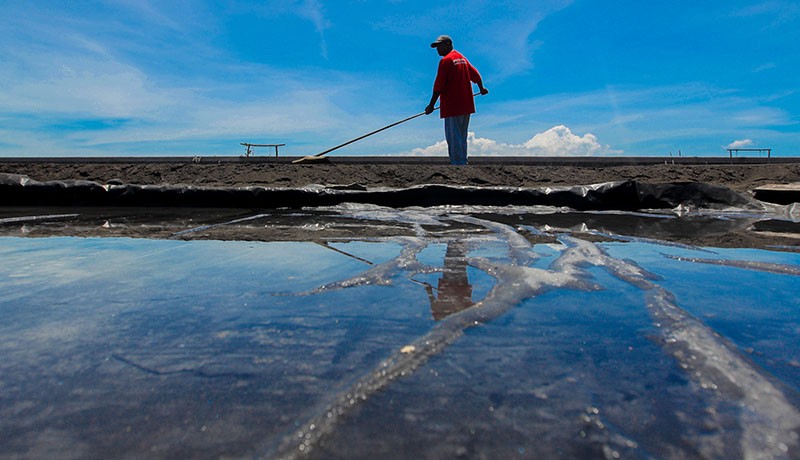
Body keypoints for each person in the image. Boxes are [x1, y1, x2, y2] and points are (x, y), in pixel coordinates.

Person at [425, 35, 488, 165]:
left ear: (448, 44)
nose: (437, 50)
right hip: (466, 105)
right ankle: (463, 161)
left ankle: (458, 164)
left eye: (439, 46)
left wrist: (431, 105)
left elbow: (439, 86)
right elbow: (476, 75)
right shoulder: (462, 58)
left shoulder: (446, 61)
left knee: (454, 137)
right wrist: (481, 88)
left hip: (452, 105)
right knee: (462, 136)